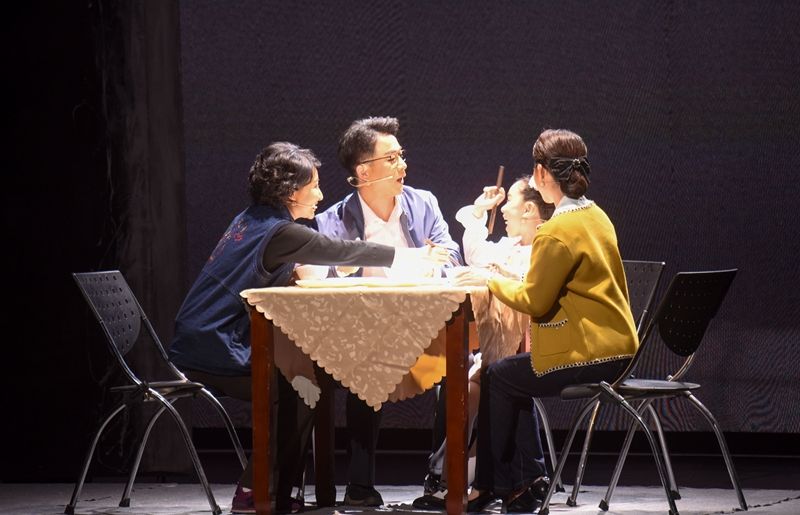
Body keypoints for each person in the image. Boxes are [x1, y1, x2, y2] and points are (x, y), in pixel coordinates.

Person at [167, 142, 449, 514]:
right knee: (304, 386)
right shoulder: (280, 232)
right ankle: (258, 491)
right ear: (290, 191)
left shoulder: (251, 220)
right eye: (313, 186)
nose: (319, 194)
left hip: (198, 341)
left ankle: (283, 489)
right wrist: (415, 256)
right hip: (212, 348)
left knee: (309, 377)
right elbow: (343, 250)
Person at [467, 129, 639, 513]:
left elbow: (534, 301)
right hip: (621, 349)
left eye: (534, 170)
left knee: (498, 376)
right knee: (508, 376)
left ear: (543, 173)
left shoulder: (555, 231)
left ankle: (499, 486)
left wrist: (489, 280)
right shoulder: (596, 215)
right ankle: (524, 481)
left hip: (589, 353)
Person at [315, 116, 462, 506]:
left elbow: (451, 254)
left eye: (401, 156)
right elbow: (322, 279)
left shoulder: (423, 203)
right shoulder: (332, 221)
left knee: (460, 369)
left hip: (427, 333)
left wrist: (434, 265)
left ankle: (441, 478)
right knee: (364, 367)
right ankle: (359, 486)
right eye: (392, 158)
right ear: (364, 171)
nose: (403, 165)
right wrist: (342, 271)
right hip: (365, 335)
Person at [412, 177, 555, 509]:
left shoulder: (545, 246)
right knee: (466, 388)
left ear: (529, 209)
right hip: (503, 349)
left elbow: (531, 289)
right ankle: (453, 478)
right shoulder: (510, 245)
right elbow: (476, 254)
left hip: (536, 347)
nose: (502, 209)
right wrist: (479, 210)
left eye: (510, 202)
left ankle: (478, 481)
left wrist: (495, 273)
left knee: (486, 384)